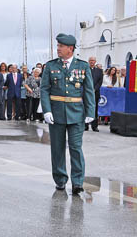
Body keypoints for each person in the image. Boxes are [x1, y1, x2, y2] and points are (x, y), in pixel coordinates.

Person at [41, 33, 95, 195]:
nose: (58, 49)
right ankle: (60, 180)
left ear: (70, 49)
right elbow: (44, 89)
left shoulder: (83, 66)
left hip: (76, 113)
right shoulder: (51, 66)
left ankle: (77, 181)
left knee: (76, 148)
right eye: (57, 46)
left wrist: (90, 111)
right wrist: (47, 110)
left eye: (61, 46)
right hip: (56, 113)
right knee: (57, 149)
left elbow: (89, 90)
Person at [87, 57, 104, 132]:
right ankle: (85, 125)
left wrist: (94, 89)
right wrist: (88, 89)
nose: (92, 62)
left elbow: (100, 82)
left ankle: (94, 126)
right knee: (86, 109)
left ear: (95, 61)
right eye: (90, 60)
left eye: (93, 60)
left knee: (95, 109)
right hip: (87, 93)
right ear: (88, 61)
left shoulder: (99, 71)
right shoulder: (85, 69)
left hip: (95, 93)